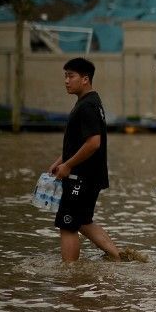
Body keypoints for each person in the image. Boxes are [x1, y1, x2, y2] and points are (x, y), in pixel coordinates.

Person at [47, 58, 121, 263]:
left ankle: (70, 276)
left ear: (85, 79)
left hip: (82, 176)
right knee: (82, 221)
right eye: (65, 76)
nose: (66, 81)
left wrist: (68, 165)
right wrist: (60, 161)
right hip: (87, 175)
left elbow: (93, 143)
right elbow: (80, 141)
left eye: (71, 76)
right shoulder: (90, 102)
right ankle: (118, 257)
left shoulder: (88, 105)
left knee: (67, 223)